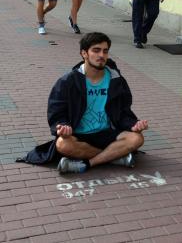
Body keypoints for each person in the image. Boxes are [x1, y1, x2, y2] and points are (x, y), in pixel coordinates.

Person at [48, 32, 148, 173]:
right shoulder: (67, 82)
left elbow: (124, 111)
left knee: (136, 139)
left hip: (108, 132)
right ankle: (115, 156)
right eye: (96, 50)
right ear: (84, 53)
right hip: (80, 134)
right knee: (62, 144)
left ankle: (88, 163)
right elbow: (57, 111)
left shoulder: (116, 80)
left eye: (105, 51)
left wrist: (134, 125)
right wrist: (63, 126)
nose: (101, 55)